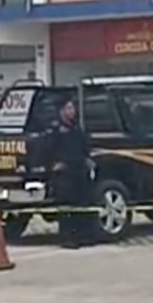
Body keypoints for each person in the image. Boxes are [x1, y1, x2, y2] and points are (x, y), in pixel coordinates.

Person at [47, 97, 94, 249]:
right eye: (68, 108)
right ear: (61, 112)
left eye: (72, 108)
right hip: (64, 174)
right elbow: (47, 151)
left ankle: (83, 235)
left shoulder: (76, 129)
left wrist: (87, 159)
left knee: (82, 204)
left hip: (79, 172)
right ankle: (67, 237)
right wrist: (55, 165)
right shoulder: (56, 131)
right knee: (67, 207)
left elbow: (85, 146)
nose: (71, 111)